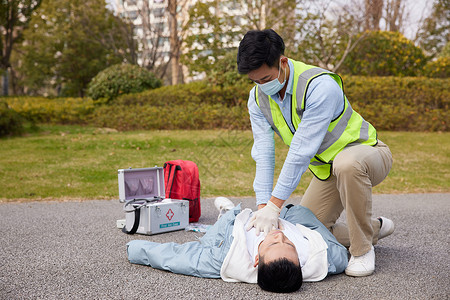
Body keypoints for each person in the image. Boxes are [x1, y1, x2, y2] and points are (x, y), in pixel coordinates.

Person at [237, 29, 394, 277]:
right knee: (302, 229)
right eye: (254, 81)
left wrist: (275, 207)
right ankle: (373, 229)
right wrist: (263, 208)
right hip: (329, 171)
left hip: (366, 156)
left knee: (347, 164)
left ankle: (362, 250)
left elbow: (300, 152)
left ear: (283, 62)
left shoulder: (319, 86)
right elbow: (264, 154)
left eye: (266, 79)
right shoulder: (257, 99)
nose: (261, 86)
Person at [126, 197, 349, 293]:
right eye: (287, 243)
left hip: (230, 230)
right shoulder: (328, 259)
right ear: (299, 259)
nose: (279, 236)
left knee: (211, 234)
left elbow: (176, 257)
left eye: (273, 244)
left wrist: (134, 249)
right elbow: (336, 248)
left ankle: (226, 210)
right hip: (282, 216)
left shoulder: (219, 260)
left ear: (256, 260)